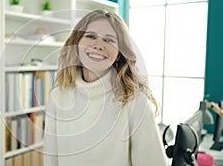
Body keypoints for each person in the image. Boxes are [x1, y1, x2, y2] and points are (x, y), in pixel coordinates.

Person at [43, 9, 167, 166]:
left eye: (109, 40)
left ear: (118, 54)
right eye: (90, 36)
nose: (98, 45)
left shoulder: (134, 101)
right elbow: (51, 160)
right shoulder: (58, 96)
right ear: (76, 44)